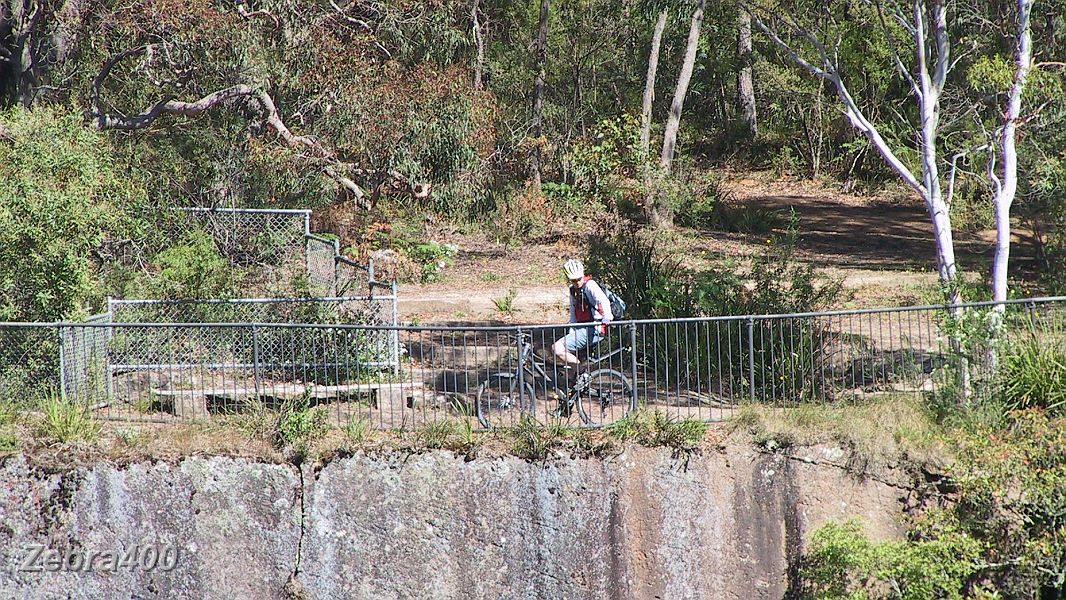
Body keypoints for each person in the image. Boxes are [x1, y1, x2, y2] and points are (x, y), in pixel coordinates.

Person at [552, 259, 613, 387]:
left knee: (557, 348)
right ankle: (574, 394)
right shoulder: (573, 290)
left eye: (579, 279)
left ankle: (583, 373)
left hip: (594, 329)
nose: (577, 283)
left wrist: (607, 317)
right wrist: (572, 332)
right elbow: (573, 312)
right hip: (582, 329)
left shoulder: (590, 285)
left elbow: (603, 301)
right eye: (574, 281)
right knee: (569, 369)